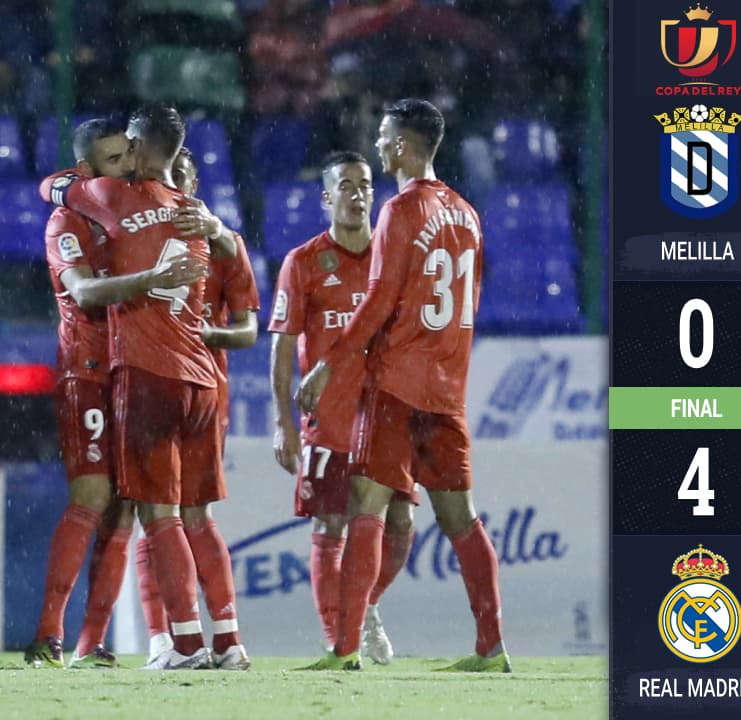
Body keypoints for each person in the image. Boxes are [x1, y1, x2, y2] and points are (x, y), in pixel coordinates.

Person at [296, 99, 508, 672]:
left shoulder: (400, 210)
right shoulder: (467, 214)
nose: (379, 143)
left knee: (366, 507)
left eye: (385, 136)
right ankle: (491, 648)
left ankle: (343, 650)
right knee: (461, 518)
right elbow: (471, 304)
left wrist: (328, 364)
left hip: (397, 383)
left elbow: (378, 300)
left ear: (402, 147)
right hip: (448, 388)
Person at [39, 104, 237, 670]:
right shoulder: (197, 215)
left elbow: (49, 186)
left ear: (142, 149)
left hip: (146, 375)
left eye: (128, 149)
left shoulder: (110, 199)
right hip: (203, 380)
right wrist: (220, 229)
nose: (122, 160)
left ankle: (184, 643)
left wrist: (76, 182)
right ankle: (225, 641)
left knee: (159, 516)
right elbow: (240, 269)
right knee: (189, 517)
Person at [268, 150, 415, 664]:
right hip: (328, 416)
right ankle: (340, 642)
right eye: (345, 186)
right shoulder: (304, 262)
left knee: (400, 525)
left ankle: (363, 607)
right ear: (327, 197)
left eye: (365, 184)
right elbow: (283, 345)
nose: (357, 194)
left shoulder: (394, 259)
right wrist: (284, 422)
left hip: (386, 413)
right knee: (330, 525)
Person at [133, 147, 257, 670]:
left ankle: (204, 640)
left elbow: (249, 330)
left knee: (178, 516)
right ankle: (171, 639)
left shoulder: (221, 242)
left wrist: (207, 334)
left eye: (181, 178)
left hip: (200, 392)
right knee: (166, 518)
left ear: (196, 183)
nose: (174, 193)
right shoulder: (148, 234)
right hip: (177, 387)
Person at [23, 118, 140, 670]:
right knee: (92, 497)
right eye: (115, 160)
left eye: (129, 157)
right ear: (89, 172)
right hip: (87, 370)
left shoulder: (135, 210)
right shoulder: (65, 221)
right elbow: (84, 290)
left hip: (134, 371)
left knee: (125, 509)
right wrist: (148, 279)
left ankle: (93, 643)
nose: (129, 168)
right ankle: (49, 635)